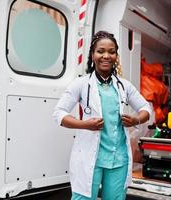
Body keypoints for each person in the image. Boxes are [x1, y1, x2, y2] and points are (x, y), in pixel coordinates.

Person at [53, 31, 151, 200]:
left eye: (111, 52)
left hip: (118, 159)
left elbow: (145, 108)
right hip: (90, 156)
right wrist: (85, 125)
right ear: (92, 54)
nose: (106, 56)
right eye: (101, 51)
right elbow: (58, 114)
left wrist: (136, 119)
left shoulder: (124, 85)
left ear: (116, 56)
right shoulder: (81, 84)